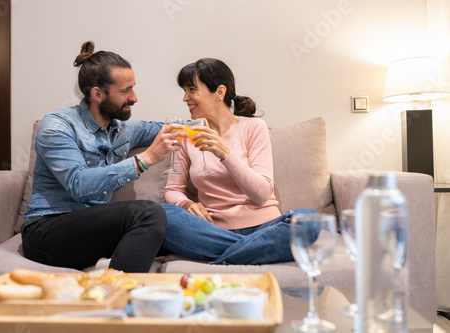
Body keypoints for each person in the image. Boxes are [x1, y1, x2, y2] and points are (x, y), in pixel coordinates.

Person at [22, 41, 187, 273]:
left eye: (133, 87)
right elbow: (79, 184)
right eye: (125, 91)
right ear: (97, 94)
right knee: (149, 212)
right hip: (47, 231)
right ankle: (115, 295)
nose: (135, 97)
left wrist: (220, 122)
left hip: (93, 229)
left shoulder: (124, 128)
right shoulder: (58, 125)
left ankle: (244, 245)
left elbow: (171, 129)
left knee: (175, 220)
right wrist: (145, 159)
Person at [160, 58, 318, 265]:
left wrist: (224, 152)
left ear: (219, 92)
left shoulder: (254, 128)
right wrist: (187, 203)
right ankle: (254, 250)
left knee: (309, 220)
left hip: (265, 226)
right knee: (161, 214)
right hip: (213, 231)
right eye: (184, 90)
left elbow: (262, 194)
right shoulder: (186, 135)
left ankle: (224, 257)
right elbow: (171, 189)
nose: (185, 98)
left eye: (192, 89)